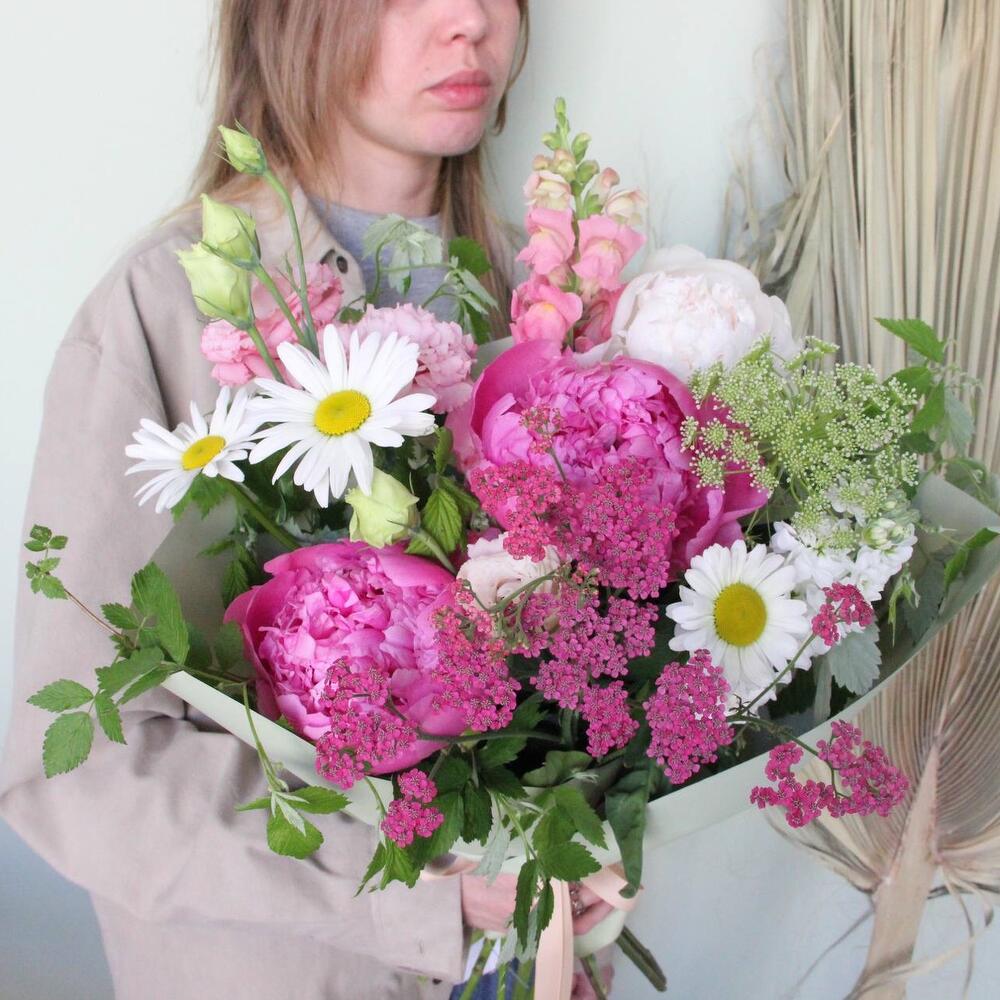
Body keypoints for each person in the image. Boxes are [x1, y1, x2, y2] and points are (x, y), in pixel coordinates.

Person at [1, 2, 616, 998]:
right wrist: (417, 883)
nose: (469, 21)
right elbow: (81, 771)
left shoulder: (549, 299)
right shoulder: (162, 314)